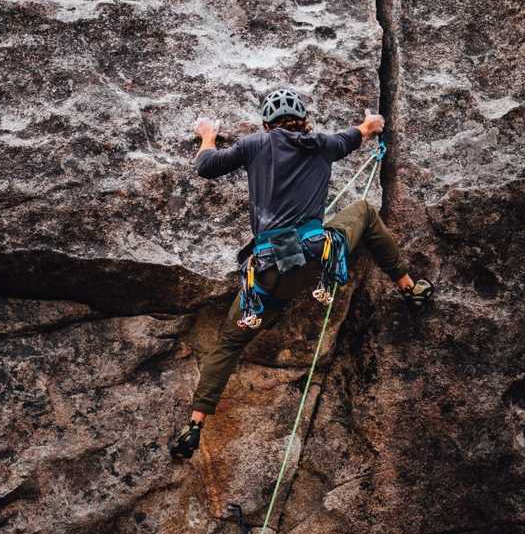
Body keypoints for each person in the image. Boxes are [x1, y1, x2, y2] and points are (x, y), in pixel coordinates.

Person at [170, 87, 433, 459]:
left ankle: (195, 423)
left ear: (267, 123)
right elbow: (362, 132)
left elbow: (205, 166)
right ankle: (410, 286)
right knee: (363, 212)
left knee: (230, 342)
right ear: (303, 120)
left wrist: (208, 136)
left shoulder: (255, 145)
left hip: (267, 276)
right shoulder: (323, 145)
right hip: (315, 261)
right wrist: (372, 123)